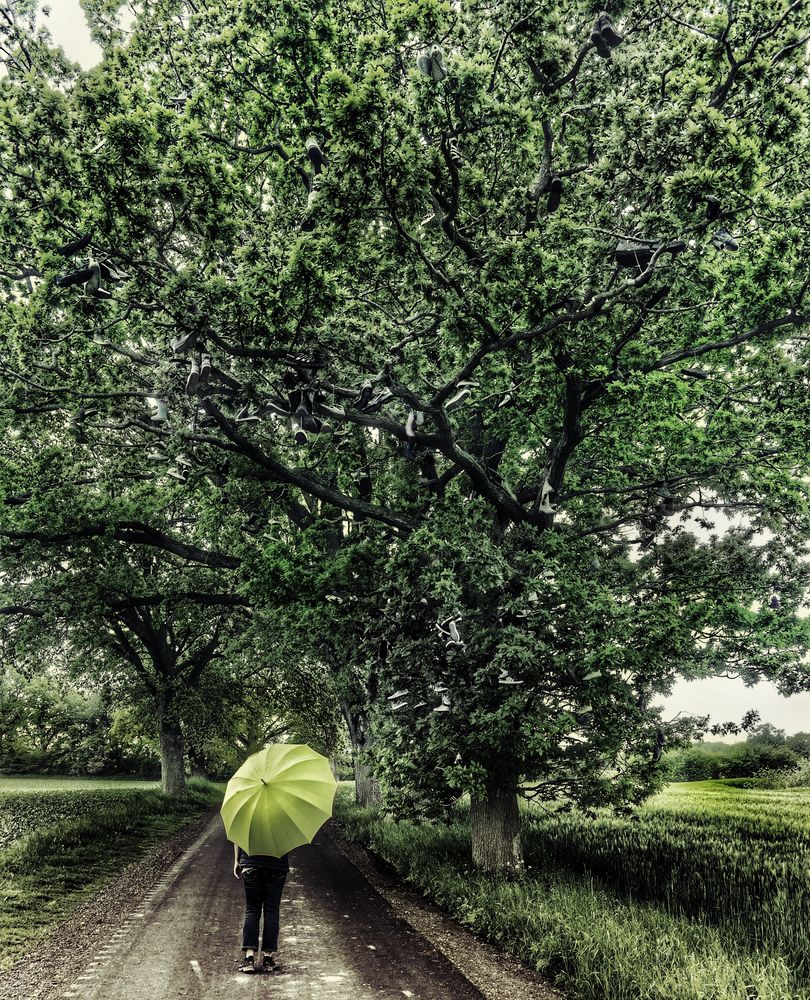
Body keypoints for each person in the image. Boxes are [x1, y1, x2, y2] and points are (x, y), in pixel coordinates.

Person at [232, 842, 289, 973]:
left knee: (252, 910)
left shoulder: (247, 820)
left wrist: (237, 860)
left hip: (251, 865)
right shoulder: (284, 820)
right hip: (277, 866)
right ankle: (268, 960)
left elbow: (237, 837)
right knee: (272, 911)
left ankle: (249, 958)